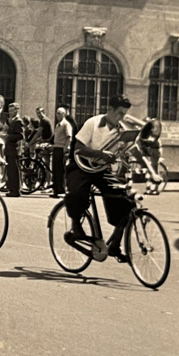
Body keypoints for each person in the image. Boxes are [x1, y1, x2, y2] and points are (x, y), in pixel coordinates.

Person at [64, 95, 136, 263]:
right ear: (109, 109)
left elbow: (124, 153)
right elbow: (78, 149)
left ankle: (115, 244)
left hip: (101, 169)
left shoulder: (121, 129)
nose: (122, 118)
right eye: (119, 113)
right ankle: (76, 226)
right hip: (80, 167)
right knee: (77, 194)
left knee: (126, 201)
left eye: (124, 114)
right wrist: (100, 154)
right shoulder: (93, 123)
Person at [50, 107, 72, 198]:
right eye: (57, 113)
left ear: (64, 114)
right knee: (55, 170)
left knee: (60, 170)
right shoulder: (58, 125)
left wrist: (66, 149)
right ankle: (56, 189)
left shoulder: (66, 124)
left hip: (61, 148)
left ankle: (61, 189)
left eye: (59, 113)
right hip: (56, 147)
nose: (57, 115)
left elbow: (69, 137)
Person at [4, 103, 24, 197]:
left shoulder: (18, 121)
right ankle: (12, 188)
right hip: (9, 148)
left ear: (17, 110)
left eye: (12, 111)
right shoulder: (11, 121)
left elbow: (21, 135)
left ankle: (15, 190)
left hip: (14, 148)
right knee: (10, 170)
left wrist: (8, 136)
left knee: (14, 170)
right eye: (9, 111)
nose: (10, 113)